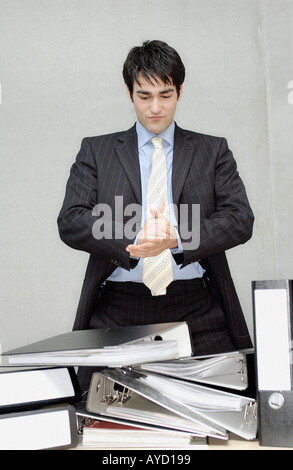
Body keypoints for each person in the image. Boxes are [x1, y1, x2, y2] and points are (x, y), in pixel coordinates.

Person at [57, 40, 254, 391]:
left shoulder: (212, 150)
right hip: (119, 309)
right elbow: (71, 220)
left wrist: (176, 236)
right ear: (129, 92)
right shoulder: (97, 150)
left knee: (225, 407)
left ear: (179, 91)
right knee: (99, 412)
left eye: (165, 95)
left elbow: (240, 218)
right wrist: (136, 237)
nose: (155, 108)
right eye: (144, 96)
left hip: (196, 306)